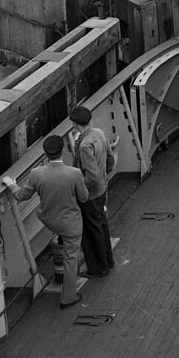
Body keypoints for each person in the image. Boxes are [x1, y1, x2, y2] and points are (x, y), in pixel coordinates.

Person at [4, 134, 88, 309]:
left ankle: (59, 244)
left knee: (62, 239)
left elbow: (22, 195)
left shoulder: (36, 174)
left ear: (45, 154)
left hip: (49, 220)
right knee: (71, 260)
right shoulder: (74, 174)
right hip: (70, 224)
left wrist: (11, 184)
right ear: (63, 150)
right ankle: (68, 298)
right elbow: (84, 197)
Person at [69, 106, 115, 279]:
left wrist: (81, 190)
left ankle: (98, 268)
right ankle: (108, 260)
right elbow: (110, 159)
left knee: (91, 231)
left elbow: (92, 176)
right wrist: (105, 177)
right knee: (102, 225)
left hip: (91, 195)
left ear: (74, 124)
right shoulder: (99, 133)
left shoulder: (85, 146)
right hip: (102, 190)